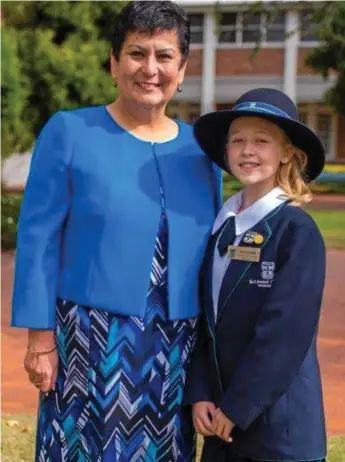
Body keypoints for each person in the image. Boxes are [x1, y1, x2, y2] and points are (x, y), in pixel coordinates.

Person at [11, 2, 221, 460]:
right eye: (136, 53)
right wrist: (39, 341)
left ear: (182, 69)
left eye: (164, 56)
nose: (150, 68)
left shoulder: (201, 151)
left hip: (175, 350)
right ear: (113, 62)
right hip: (88, 344)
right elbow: (38, 240)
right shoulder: (69, 131)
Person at [184, 88, 327, 462]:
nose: (248, 150)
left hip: (278, 432)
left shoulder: (297, 232)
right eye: (238, 140)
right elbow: (205, 323)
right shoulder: (220, 226)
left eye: (262, 141)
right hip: (220, 426)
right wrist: (200, 392)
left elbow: (284, 335)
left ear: (286, 153)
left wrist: (238, 406)